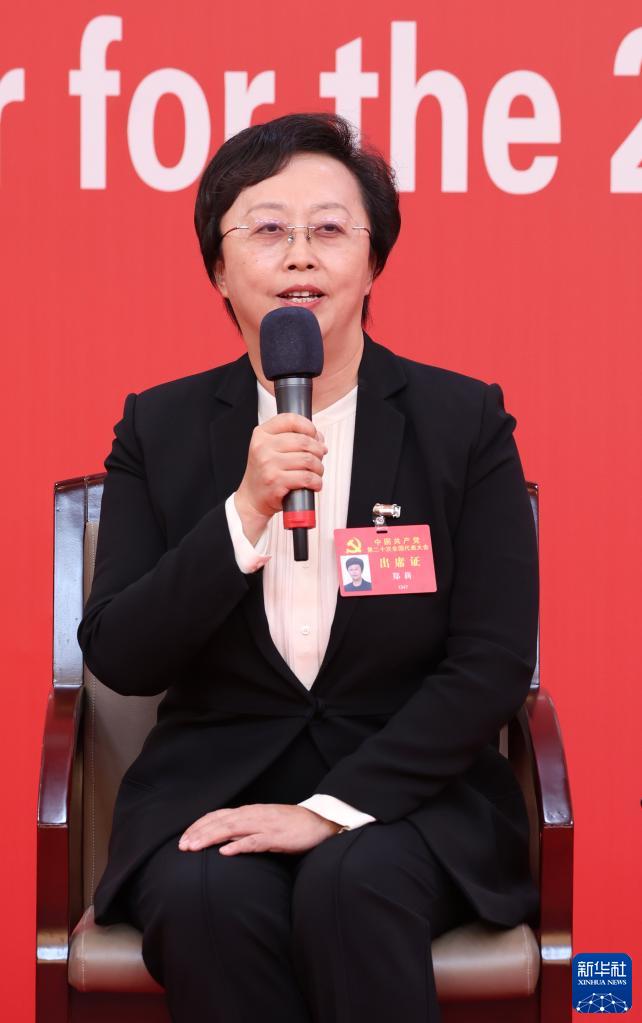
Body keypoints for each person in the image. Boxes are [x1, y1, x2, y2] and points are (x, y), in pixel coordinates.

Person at [77, 112, 540, 1023]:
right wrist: (242, 513)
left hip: (411, 798)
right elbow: (122, 654)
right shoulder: (159, 428)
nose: (300, 255)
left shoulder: (464, 424)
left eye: (329, 228)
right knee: (206, 898)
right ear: (218, 267)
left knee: (352, 882)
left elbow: (489, 664)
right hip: (216, 792)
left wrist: (332, 808)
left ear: (373, 260)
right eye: (268, 228)